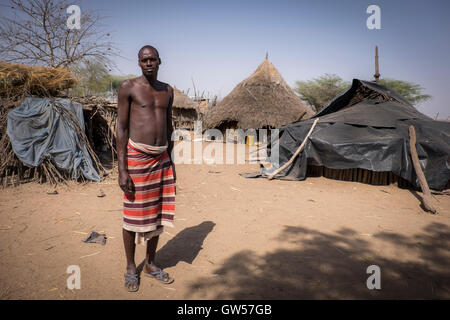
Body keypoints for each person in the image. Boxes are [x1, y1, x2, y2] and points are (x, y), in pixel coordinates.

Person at [116, 45, 176, 292]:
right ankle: (131, 266)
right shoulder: (128, 88)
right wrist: (122, 169)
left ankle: (150, 263)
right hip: (137, 157)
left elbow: (170, 127)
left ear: (160, 61)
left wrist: (171, 160)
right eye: (144, 60)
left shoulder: (167, 91)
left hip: (161, 158)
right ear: (139, 63)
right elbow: (121, 128)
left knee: (158, 214)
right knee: (132, 215)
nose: (149, 63)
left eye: (153, 59)